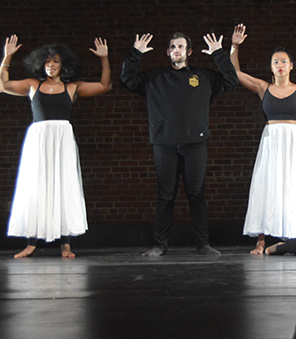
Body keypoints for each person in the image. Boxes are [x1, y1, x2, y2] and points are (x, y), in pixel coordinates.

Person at [121, 31, 239, 257]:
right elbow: (127, 80)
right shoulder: (154, 78)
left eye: (181, 47)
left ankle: (203, 244)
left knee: (196, 194)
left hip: (195, 144)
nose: (176, 50)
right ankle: (160, 245)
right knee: (165, 196)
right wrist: (136, 53)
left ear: (189, 51)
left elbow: (231, 80)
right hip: (164, 145)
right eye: (173, 47)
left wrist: (218, 54)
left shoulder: (202, 77)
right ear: (167, 52)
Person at [230, 24, 296, 254]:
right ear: (271, 67)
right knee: (265, 185)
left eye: (283, 61)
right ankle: (260, 241)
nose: (280, 65)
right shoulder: (263, 88)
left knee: (294, 186)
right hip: (271, 140)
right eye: (275, 62)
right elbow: (235, 73)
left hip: (293, 141)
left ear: (291, 65)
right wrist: (234, 47)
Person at [2, 35, 112, 258]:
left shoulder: (72, 87)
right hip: (38, 140)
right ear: (41, 64)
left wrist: (104, 59)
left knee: (64, 185)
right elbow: (2, 85)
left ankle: (66, 244)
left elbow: (104, 86)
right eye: (47, 62)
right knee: (35, 187)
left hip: (62, 140)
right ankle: (31, 242)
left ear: (63, 65)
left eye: (56, 61)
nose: (51, 65)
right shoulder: (34, 85)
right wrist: (7, 57)